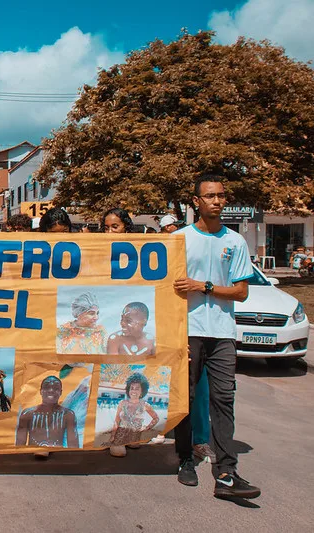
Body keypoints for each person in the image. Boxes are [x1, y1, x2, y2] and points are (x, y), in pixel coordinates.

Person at [172, 174, 260, 500]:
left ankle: (226, 471)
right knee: (187, 398)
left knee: (223, 399)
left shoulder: (235, 242)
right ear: (196, 202)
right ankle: (184, 459)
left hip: (223, 333)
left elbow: (241, 292)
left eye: (221, 196)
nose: (217, 201)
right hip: (188, 330)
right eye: (209, 196)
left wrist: (204, 286)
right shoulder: (179, 240)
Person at [15, 376, 78, 448]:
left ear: (60, 392)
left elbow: (74, 447)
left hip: (59, 458)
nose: (51, 390)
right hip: (33, 457)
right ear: (41, 391)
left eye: (56, 388)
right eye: (47, 387)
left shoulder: (68, 415)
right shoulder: (27, 414)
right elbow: (19, 447)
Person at [107, 373, 159, 457]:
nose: (133, 391)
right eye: (132, 388)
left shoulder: (145, 405)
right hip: (121, 435)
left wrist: (147, 427)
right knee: (120, 453)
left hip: (134, 437)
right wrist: (113, 435)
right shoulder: (122, 403)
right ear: (128, 390)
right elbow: (117, 421)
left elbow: (156, 418)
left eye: (137, 388)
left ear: (142, 391)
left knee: (135, 446)